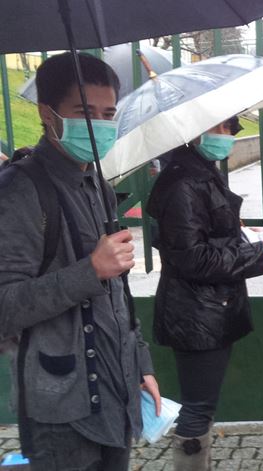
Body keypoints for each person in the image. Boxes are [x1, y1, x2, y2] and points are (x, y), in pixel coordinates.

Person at [0, 52, 160, 470]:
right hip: (59, 413)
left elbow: (118, 293)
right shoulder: (19, 191)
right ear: (46, 113)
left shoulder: (97, 184)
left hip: (117, 392)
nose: (98, 125)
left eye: (108, 113)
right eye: (84, 112)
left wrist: (139, 362)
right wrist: (89, 271)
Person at [147, 116, 263, 470]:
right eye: (219, 128)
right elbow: (193, 258)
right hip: (196, 312)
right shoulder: (183, 182)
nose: (226, 136)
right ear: (194, 130)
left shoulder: (199, 173)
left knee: (202, 405)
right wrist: (258, 253)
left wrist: (241, 234)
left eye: (229, 129)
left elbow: (204, 236)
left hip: (208, 308)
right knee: (197, 407)